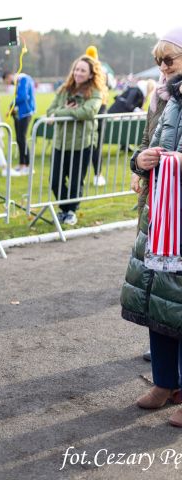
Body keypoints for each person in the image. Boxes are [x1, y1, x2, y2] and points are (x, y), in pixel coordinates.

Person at [121, 27, 182, 428]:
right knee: (158, 300)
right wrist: (140, 161)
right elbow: (150, 144)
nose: (162, 67)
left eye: (169, 59)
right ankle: (164, 383)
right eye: (158, 60)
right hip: (160, 216)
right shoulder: (168, 99)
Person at [46, 55, 104, 226]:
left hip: (82, 143)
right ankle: (64, 209)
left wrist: (59, 112)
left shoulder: (95, 92)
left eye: (83, 70)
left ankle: (71, 212)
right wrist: (64, 110)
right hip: (61, 142)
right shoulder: (64, 89)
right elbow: (49, 111)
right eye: (77, 69)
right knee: (55, 181)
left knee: (75, 181)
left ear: (91, 74)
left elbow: (87, 112)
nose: (78, 73)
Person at [84, 45, 112, 188]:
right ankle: (98, 174)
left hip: (89, 107)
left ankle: (83, 175)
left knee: (86, 144)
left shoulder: (86, 67)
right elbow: (109, 86)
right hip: (100, 108)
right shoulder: (102, 70)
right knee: (97, 144)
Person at [3, 71, 36, 175]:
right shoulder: (20, 81)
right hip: (19, 113)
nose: (9, 84)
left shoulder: (23, 79)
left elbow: (23, 96)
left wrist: (12, 104)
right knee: (19, 138)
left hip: (26, 112)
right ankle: (22, 164)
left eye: (7, 81)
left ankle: (28, 166)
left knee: (22, 138)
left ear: (9, 76)